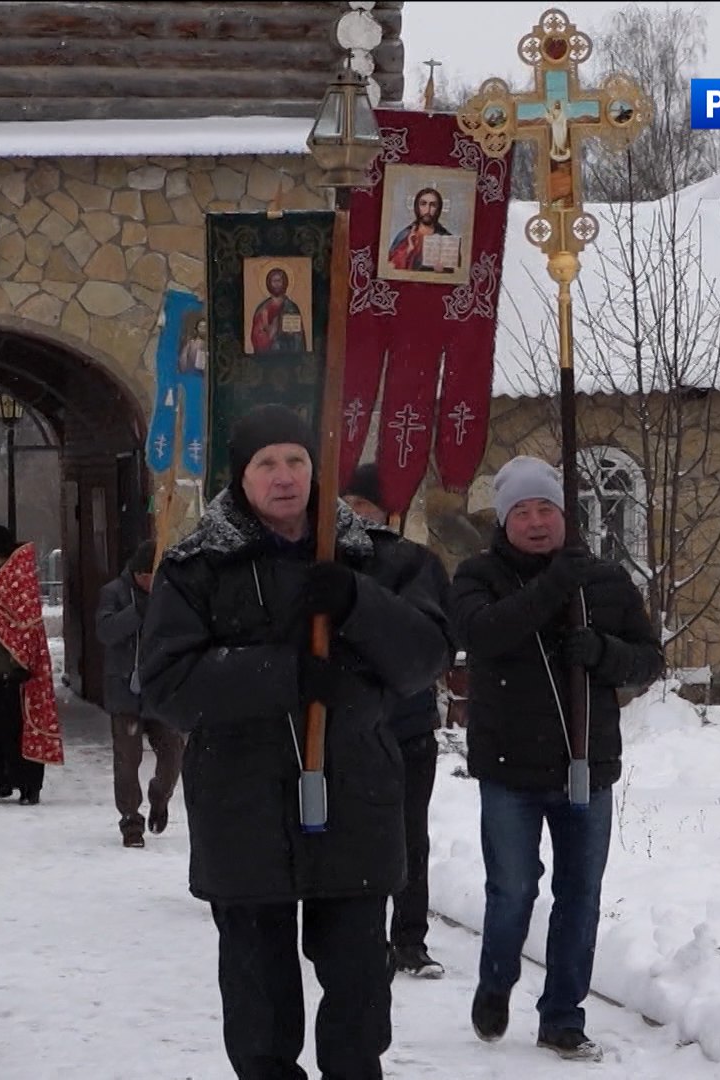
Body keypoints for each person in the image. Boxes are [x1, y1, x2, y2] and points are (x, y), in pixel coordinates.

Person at [139, 404, 452, 1080]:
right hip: (244, 811)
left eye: (297, 461)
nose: (283, 477)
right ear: (241, 476)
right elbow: (166, 683)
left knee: (359, 996)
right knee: (259, 1006)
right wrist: (284, 675)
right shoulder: (197, 568)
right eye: (266, 463)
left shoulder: (380, 559)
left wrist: (358, 603)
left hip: (355, 802)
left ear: (317, 469)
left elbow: (427, 655)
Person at [450, 456, 662, 1064]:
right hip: (509, 768)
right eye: (522, 512)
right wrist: (552, 588)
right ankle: (496, 982)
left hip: (586, 764)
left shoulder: (606, 580)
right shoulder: (479, 576)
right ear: (504, 520)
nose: (537, 522)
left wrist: (604, 653)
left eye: (546, 509)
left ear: (565, 515)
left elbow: (648, 659)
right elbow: (483, 634)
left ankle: (563, 1017)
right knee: (513, 889)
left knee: (580, 896)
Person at [342, 464, 451, 980]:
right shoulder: (328, 562)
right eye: (346, 505)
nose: (355, 515)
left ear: (389, 512)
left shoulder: (415, 564)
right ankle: (360, 939)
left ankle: (409, 940)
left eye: (364, 505)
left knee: (410, 837)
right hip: (349, 729)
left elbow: (430, 640)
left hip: (407, 727)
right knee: (352, 838)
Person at [0, 525, 63, 805]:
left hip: (15, 671)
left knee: (15, 729)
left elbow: (22, 623)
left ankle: (24, 784)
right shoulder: (5, 578)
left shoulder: (15, 579)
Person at [96, 539, 183, 849]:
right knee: (127, 760)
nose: (150, 582)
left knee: (173, 752)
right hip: (125, 691)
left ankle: (160, 796)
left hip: (160, 690)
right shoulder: (114, 592)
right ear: (136, 573)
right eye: (146, 576)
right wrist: (136, 612)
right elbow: (105, 631)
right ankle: (131, 820)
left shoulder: (170, 592)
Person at [387, 187, 458, 272]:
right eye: (423, 204)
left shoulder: (447, 239)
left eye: (433, 205)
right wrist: (409, 250)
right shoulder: (405, 235)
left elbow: (458, 272)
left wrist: (444, 271)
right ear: (417, 207)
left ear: (438, 209)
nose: (427, 210)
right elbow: (389, 268)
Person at [248, 266, 306, 354]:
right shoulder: (262, 308)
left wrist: (289, 333)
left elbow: (298, 338)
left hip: (286, 354)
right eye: (274, 281)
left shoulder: (291, 307)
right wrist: (268, 334)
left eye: (279, 280)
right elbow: (256, 336)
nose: (277, 284)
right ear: (269, 283)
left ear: (284, 283)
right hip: (267, 356)